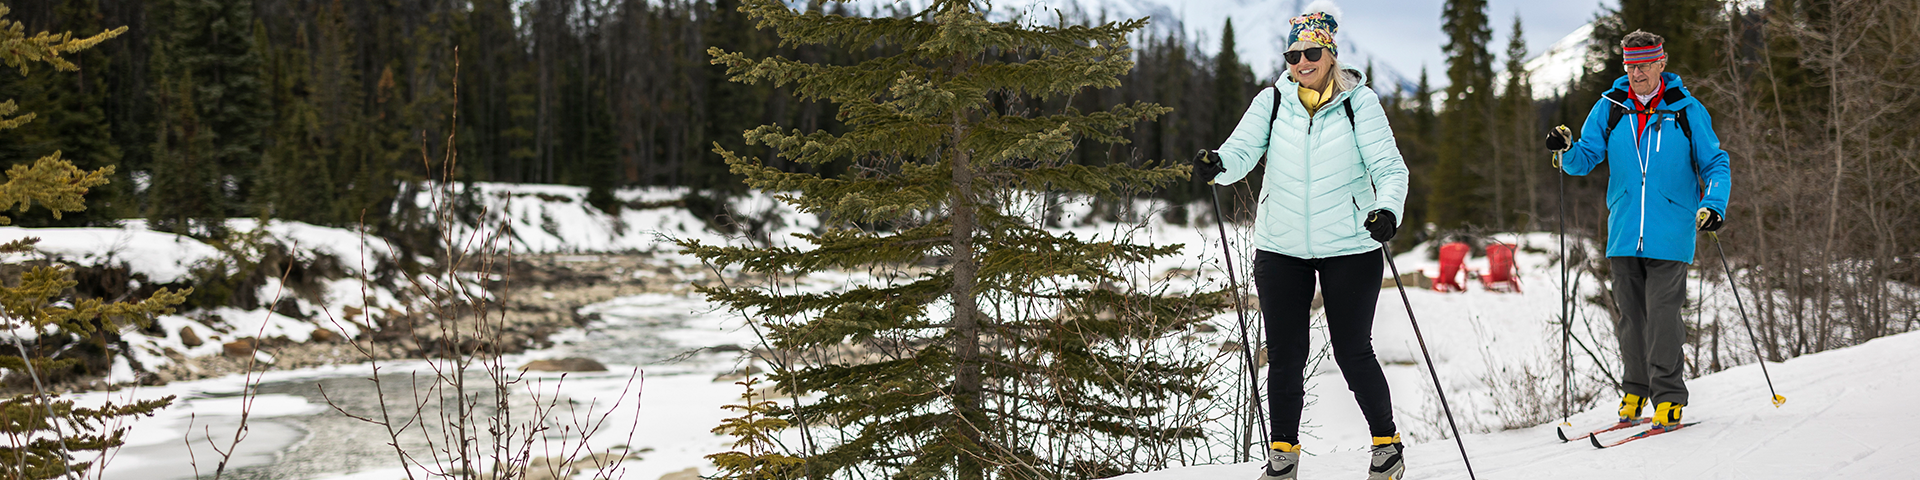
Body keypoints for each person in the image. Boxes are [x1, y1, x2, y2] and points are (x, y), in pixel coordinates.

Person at [1192, 4, 1409, 479]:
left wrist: (1387, 210)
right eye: (1293, 54)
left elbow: (1390, 169)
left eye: (1311, 51)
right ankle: (1283, 456)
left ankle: (1386, 444)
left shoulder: (1359, 102)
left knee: (1353, 349)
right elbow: (1241, 151)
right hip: (1281, 244)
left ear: (1330, 54)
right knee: (1285, 353)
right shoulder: (1272, 101)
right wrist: (1218, 164)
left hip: (1351, 244)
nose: (1301, 62)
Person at [1545, 29, 1732, 432]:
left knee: (1663, 316)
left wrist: (1713, 205)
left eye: (1644, 65)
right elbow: (1584, 159)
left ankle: (1668, 400)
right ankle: (1635, 391)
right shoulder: (1610, 107)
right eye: (1630, 65)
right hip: (1625, 229)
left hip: (1671, 230)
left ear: (1661, 63)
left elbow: (1715, 163)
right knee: (1631, 317)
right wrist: (1565, 148)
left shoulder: (1685, 109)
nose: (1637, 73)